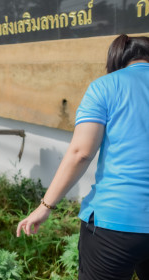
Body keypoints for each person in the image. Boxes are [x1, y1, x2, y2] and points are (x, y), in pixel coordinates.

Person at [16, 34, 149, 280]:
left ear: (118, 60)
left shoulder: (105, 86)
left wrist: (45, 207)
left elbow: (81, 152)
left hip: (114, 223)